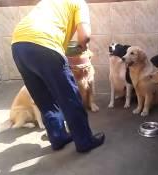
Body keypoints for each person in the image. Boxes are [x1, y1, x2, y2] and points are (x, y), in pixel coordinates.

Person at [11, 0, 105, 152]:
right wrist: (83, 47)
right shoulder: (78, 3)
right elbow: (85, 36)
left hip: (18, 46)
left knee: (44, 98)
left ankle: (58, 137)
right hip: (45, 45)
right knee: (70, 97)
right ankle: (85, 141)